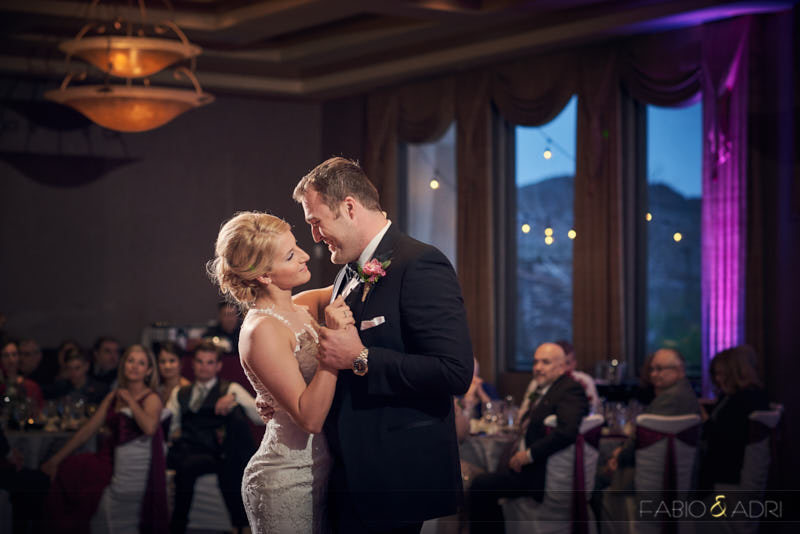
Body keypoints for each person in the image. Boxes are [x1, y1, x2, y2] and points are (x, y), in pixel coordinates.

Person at [294, 157, 474, 533]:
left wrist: (361, 358)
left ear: (348, 207)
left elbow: (454, 371)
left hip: (395, 473)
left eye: (315, 222)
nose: (314, 236)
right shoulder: (347, 270)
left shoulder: (421, 264)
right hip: (350, 470)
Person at [207, 211, 351, 533]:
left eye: (296, 245)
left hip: (323, 471)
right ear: (265, 276)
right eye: (290, 255)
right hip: (286, 479)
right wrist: (332, 349)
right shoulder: (262, 330)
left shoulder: (300, 307)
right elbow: (310, 419)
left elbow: (354, 285)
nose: (303, 256)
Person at [41, 344, 167, 534]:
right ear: (124, 365)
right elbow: (88, 429)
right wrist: (56, 459)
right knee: (68, 468)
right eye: (131, 361)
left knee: (82, 485)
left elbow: (149, 428)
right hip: (106, 455)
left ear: (148, 370)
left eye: (141, 363)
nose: (134, 366)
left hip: (125, 464)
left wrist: (131, 401)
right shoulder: (113, 396)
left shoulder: (152, 398)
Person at [467, 342, 589, 533]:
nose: (538, 367)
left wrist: (528, 455)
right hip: (530, 468)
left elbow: (567, 431)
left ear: (562, 366)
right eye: (535, 362)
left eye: (545, 362)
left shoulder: (569, 390)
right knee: (485, 479)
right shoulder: (547, 388)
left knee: (481, 486)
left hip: (538, 475)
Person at [165, 340, 265, 534]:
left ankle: (240, 524)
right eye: (200, 361)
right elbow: (170, 425)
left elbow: (260, 418)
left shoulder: (230, 389)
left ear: (218, 366)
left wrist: (235, 400)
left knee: (228, 457)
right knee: (185, 464)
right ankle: (178, 526)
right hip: (191, 449)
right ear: (192, 364)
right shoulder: (180, 393)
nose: (204, 367)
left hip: (221, 451)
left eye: (209, 362)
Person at [698, 345, 769, 491]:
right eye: (715, 374)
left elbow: (724, 439)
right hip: (731, 472)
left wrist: (704, 419)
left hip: (728, 477)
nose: (717, 379)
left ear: (736, 373)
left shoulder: (744, 399)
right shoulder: (739, 396)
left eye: (721, 374)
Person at [519, 340, 601, 420]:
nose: (565, 368)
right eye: (535, 362)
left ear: (575, 363)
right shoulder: (537, 383)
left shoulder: (580, 382)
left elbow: (594, 410)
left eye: (568, 363)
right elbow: (528, 404)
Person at [43, 347, 109, 405]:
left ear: (86, 366)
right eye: (69, 368)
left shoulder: (100, 390)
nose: (73, 372)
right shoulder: (60, 387)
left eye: (77, 368)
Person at [1, 337, 44, 415]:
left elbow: (39, 412)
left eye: (14, 354)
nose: (11, 360)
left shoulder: (31, 386)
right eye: (6, 355)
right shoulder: (2, 384)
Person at [156, 341, 190, 405]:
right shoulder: (158, 389)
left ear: (181, 363)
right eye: (162, 361)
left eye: (172, 361)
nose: (167, 366)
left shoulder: (186, 389)